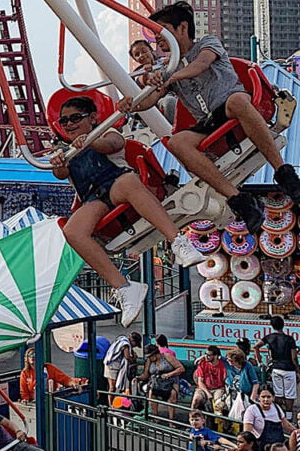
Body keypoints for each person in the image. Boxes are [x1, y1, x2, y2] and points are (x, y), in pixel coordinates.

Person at [129, 1, 300, 230]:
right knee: (176, 142)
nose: (157, 38)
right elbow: (149, 100)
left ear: (182, 28)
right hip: (208, 123)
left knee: (237, 101)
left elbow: (201, 64)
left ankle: (283, 172)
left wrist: (170, 77)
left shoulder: (207, 43)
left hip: (229, 104)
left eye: (163, 30)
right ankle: (238, 200)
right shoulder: (168, 68)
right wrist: (130, 104)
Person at [50, 95, 202, 327]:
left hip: (116, 184)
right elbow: (61, 174)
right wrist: (59, 164)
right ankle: (123, 287)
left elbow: (113, 145)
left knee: (129, 182)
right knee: (72, 231)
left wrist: (90, 141)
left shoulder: (107, 134)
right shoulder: (68, 152)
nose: (69, 124)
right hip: (94, 198)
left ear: (92, 118)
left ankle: (178, 241)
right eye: (64, 121)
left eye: (75, 118)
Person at [254, 315, 300, 414]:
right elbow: (294, 357)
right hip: (289, 369)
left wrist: (259, 360)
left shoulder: (269, 337)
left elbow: (256, 346)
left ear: (272, 325)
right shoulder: (289, 339)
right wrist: (297, 370)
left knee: (278, 394)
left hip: (276, 368)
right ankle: (289, 416)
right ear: (283, 325)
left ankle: (279, 414)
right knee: (289, 395)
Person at [137, 342, 185, 419]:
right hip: (156, 383)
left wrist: (169, 374)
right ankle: (155, 417)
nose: (149, 358)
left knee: (172, 394)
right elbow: (145, 375)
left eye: (150, 356)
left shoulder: (167, 357)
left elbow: (181, 368)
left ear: (156, 354)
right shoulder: (149, 361)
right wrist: (137, 378)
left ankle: (171, 420)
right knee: (151, 394)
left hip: (170, 381)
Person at [242, 386, 294, 451]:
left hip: (279, 447)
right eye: (263, 397)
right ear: (258, 397)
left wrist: (299, 432)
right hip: (262, 448)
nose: (266, 399)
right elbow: (247, 432)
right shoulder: (252, 410)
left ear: (273, 397)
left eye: (269, 397)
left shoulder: (276, 407)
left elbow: (287, 425)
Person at [19, 350, 83, 401]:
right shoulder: (25, 373)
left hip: (50, 400)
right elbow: (24, 392)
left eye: (35, 355)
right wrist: (27, 402)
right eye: (30, 355)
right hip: (33, 402)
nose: (32, 357)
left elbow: (64, 379)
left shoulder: (48, 368)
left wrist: (73, 384)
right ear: (27, 358)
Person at [103, 331, 141, 400]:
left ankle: (114, 402)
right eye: (135, 344)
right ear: (132, 341)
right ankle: (111, 404)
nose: (134, 346)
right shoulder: (125, 344)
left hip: (114, 366)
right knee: (112, 387)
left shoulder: (122, 340)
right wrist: (134, 358)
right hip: (112, 366)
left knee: (115, 387)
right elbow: (127, 356)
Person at [192, 345, 229, 414]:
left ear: (215, 356)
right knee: (196, 400)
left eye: (209, 355)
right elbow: (200, 382)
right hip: (203, 388)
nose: (206, 356)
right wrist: (208, 394)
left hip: (218, 388)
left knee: (218, 405)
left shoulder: (223, 364)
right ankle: (192, 417)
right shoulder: (202, 363)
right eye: (205, 354)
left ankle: (217, 419)